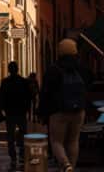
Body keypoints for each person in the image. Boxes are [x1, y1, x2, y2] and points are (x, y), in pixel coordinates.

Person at [38, 39, 90, 172]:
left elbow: (45, 92)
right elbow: (89, 85)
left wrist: (42, 112)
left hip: (58, 111)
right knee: (73, 141)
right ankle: (70, 167)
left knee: (56, 142)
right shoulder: (82, 69)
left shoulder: (53, 69)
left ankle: (66, 165)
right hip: (79, 111)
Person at [0, 61, 31, 170]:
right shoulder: (23, 82)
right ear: (17, 69)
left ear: (9, 70)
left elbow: (2, 98)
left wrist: (3, 110)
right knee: (23, 135)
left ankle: (13, 157)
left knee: (11, 136)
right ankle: (22, 155)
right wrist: (27, 109)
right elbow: (28, 97)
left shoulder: (5, 82)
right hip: (21, 113)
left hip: (10, 113)